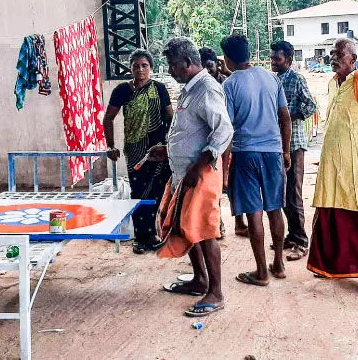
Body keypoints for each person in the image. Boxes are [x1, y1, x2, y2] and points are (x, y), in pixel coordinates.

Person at [152, 38, 234, 317]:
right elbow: (190, 131)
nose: (171, 70)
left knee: (205, 231)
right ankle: (200, 280)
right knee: (188, 229)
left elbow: (223, 131)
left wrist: (198, 167)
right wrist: (168, 150)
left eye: (173, 65)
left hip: (199, 175)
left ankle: (216, 292)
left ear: (187, 63)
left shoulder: (208, 88)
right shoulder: (190, 89)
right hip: (183, 173)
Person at [306, 38, 358, 297]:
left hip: (357, 165)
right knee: (328, 213)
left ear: (352, 59)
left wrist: (353, 142)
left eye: (338, 54)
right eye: (331, 53)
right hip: (331, 163)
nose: (332, 58)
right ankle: (326, 266)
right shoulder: (332, 84)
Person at [221, 34, 292, 286]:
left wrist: (224, 167)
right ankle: (279, 264)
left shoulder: (229, 85)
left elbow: (227, 130)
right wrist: (285, 151)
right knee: (275, 209)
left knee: (254, 213)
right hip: (273, 153)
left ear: (227, 58)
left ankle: (261, 272)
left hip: (245, 153)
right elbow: (285, 117)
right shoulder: (272, 78)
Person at [103, 50, 173, 254]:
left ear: (150, 68)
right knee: (139, 192)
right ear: (130, 68)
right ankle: (141, 238)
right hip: (135, 151)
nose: (140, 69)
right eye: (136, 65)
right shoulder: (122, 90)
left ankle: (155, 234)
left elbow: (170, 117)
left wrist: (168, 144)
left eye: (144, 65)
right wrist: (111, 145)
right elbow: (108, 118)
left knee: (158, 192)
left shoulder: (159, 88)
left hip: (158, 151)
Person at [269, 41, 316, 261]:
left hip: (294, 144)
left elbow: (311, 106)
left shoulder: (296, 79)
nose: (273, 62)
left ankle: (301, 241)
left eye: (277, 59)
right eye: (272, 58)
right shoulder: (273, 80)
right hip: (277, 144)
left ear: (288, 60)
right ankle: (291, 235)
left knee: (293, 195)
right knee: (282, 194)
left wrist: (289, 116)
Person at [200, 46, 249, 238]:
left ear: (217, 65)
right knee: (213, 186)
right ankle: (217, 223)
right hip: (210, 142)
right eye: (203, 67)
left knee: (233, 184)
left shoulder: (227, 83)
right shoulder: (199, 86)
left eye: (210, 66)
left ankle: (239, 222)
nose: (207, 70)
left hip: (232, 140)